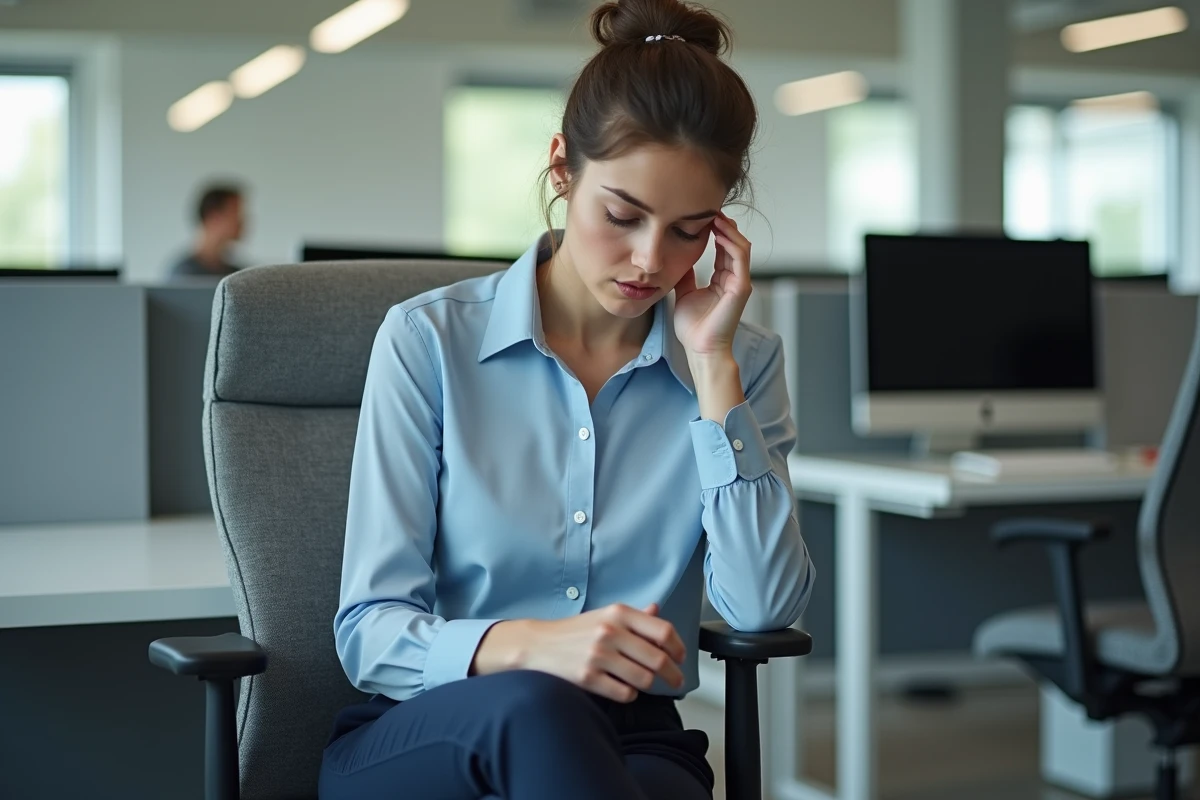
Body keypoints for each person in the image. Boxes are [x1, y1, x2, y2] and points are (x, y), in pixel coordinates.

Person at [320, 1, 815, 797]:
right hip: (442, 727)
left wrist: (712, 363)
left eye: (689, 231)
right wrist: (530, 647)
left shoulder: (739, 363)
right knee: (536, 712)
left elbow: (761, 608)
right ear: (561, 168)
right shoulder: (428, 343)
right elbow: (369, 635)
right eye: (622, 215)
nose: (650, 260)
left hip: (634, 740)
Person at [167, 183, 245, 279]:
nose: (242, 221)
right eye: (236, 213)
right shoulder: (182, 275)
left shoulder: (236, 274)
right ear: (214, 217)